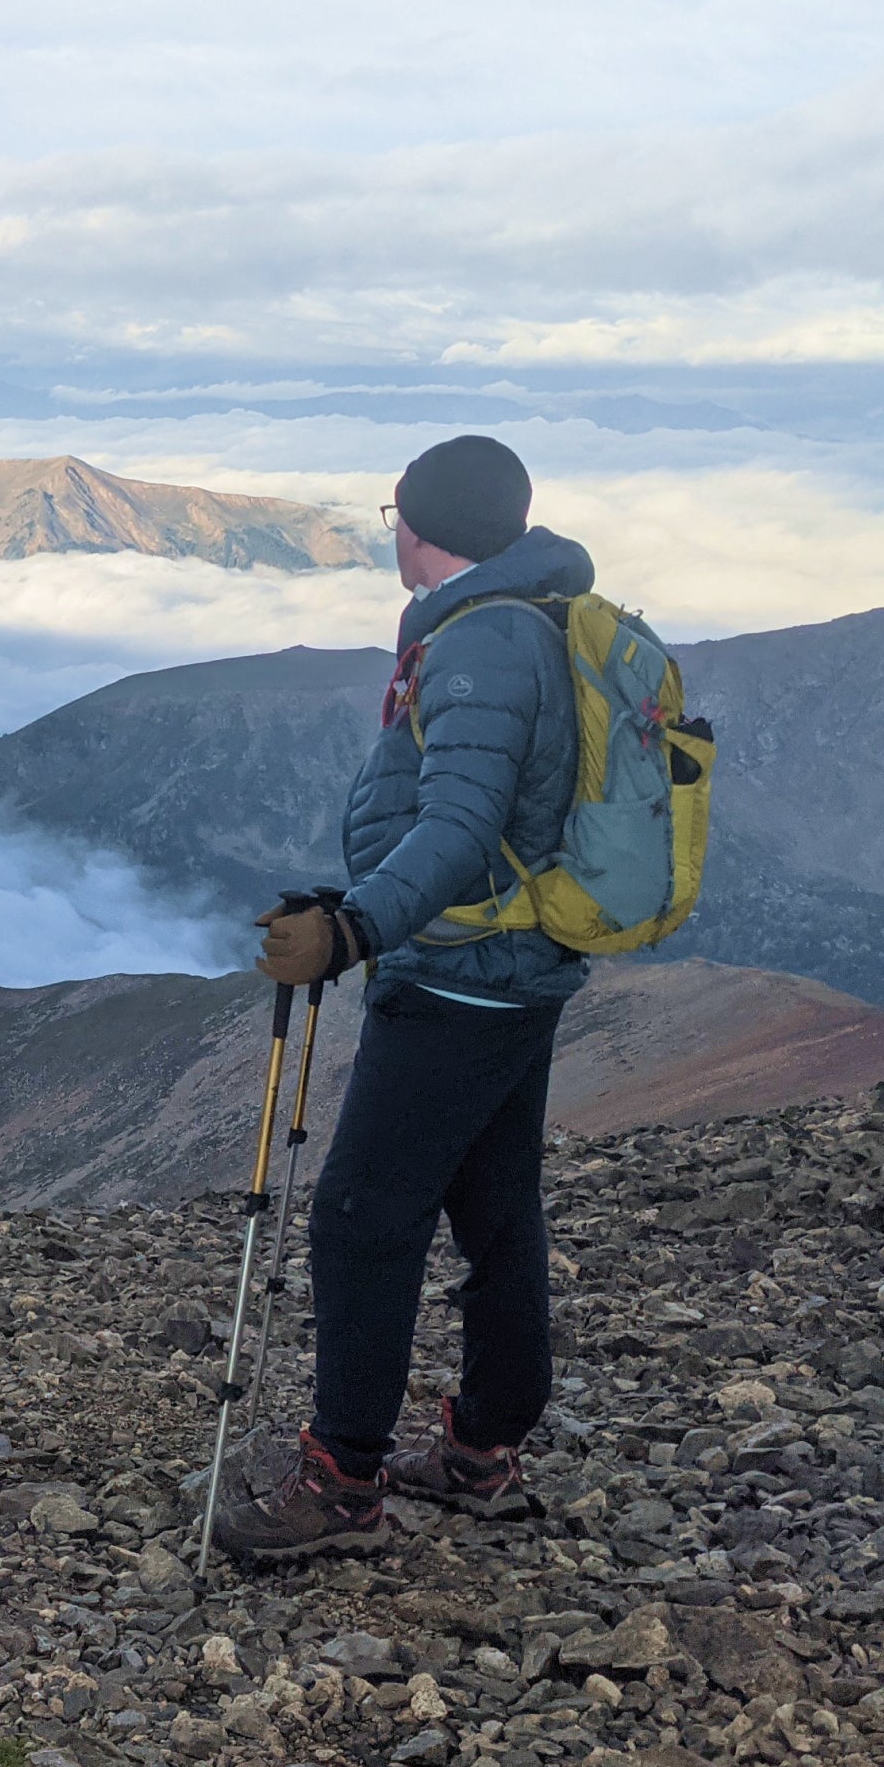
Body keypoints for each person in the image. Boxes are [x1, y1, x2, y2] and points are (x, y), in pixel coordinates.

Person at [211, 433, 591, 1560]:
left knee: (361, 1217)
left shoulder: (480, 644)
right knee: (494, 1211)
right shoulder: (532, 620)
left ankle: (341, 1483)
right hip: (510, 965)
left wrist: (357, 927)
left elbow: (462, 822)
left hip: (460, 978)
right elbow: (480, 824)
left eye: (395, 514)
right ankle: (482, 1453)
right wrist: (367, 897)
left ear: (416, 525)